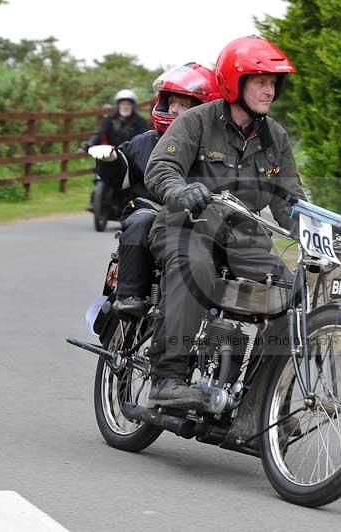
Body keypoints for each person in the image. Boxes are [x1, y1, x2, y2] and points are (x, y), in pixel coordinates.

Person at [143, 36, 306, 408]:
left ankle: (260, 403)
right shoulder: (197, 121)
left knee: (292, 290)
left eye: (273, 83)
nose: (270, 91)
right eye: (261, 81)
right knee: (195, 265)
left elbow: (290, 198)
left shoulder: (274, 137)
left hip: (242, 239)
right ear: (235, 82)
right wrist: (181, 190)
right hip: (186, 226)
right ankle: (168, 377)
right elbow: (161, 167)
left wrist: (315, 226)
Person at [89, 63, 221, 316]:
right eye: (171, 101)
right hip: (150, 208)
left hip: (196, 220)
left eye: (183, 104)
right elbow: (122, 174)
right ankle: (130, 295)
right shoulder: (146, 141)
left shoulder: (214, 151)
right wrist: (109, 161)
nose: (173, 109)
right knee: (142, 221)